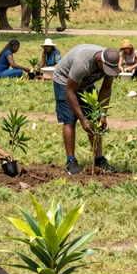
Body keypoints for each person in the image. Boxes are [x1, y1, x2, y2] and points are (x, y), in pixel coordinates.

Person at [52, 43, 120, 175]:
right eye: (105, 68)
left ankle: (99, 159)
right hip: (65, 81)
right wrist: (82, 119)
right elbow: (70, 92)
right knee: (70, 119)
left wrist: (102, 114)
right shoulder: (82, 63)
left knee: (94, 119)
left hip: (86, 83)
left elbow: (106, 88)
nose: (107, 72)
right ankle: (71, 160)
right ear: (99, 60)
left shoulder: (110, 64)